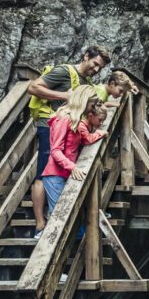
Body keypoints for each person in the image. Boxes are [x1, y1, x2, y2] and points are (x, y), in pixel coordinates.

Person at [27, 44, 111, 237]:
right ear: (86, 56)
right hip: (50, 126)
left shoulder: (85, 81)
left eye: (100, 68)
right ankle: (41, 224)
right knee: (42, 173)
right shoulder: (64, 72)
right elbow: (33, 87)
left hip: (67, 129)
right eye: (95, 63)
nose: (96, 69)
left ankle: (60, 220)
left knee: (57, 172)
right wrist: (65, 95)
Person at [41, 86, 107, 219]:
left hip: (66, 174)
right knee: (61, 217)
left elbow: (82, 140)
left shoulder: (75, 120)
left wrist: (98, 134)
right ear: (83, 101)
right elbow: (56, 150)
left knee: (71, 216)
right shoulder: (63, 119)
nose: (93, 109)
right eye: (92, 105)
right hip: (55, 175)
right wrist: (73, 167)